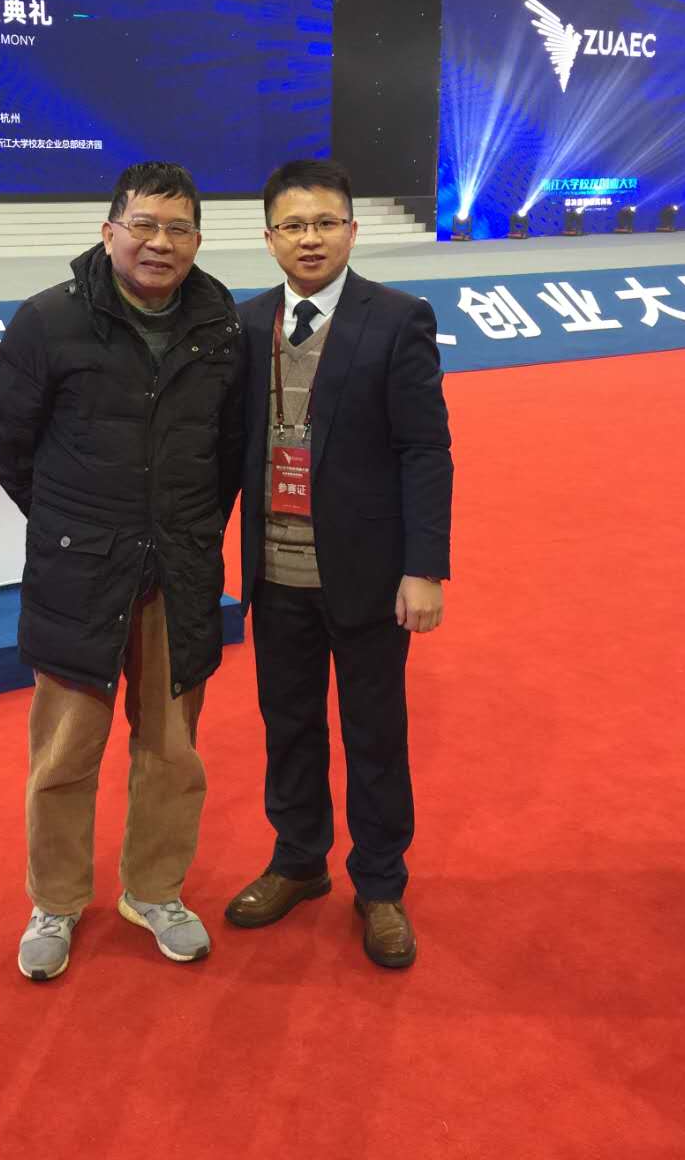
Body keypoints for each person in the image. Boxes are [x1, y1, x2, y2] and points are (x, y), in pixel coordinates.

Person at [0, 161, 243, 981]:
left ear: (196, 240)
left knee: (173, 752)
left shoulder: (220, 325)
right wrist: (75, 527)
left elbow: (226, 452)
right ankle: (55, 901)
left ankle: (154, 890)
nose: (159, 243)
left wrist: (186, 530)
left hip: (180, 569)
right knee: (64, 753)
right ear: (109, 232)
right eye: (144, 225)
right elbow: (11, 447)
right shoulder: (48, 321)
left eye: (178, 228)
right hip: (81, 572)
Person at [225, 158, 452, 968]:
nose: (310, 238)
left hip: (366, 573)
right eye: (293, 225)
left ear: (352, 231)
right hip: (275, 573)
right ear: (269, 239)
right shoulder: (245, 323)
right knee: (288, 725)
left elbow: (425, 449)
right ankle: (298, 860)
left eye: (325, 222)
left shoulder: (397, 319)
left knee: (374, 733)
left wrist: (424, 567)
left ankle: (381, 883)